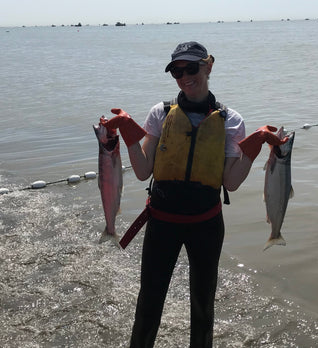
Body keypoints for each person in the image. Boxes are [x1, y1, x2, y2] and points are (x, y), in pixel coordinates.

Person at [103, 41, 287, 348]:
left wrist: (255, 145)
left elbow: (231, 182)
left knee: (203, 306)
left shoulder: (231, 121)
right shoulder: (161, 113)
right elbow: (142, 170)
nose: (185, 76)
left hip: (206, 224)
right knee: (149, 303)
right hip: (162, 222)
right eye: (177, 70)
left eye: (192, 68)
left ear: (209, 66)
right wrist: (127, 130)